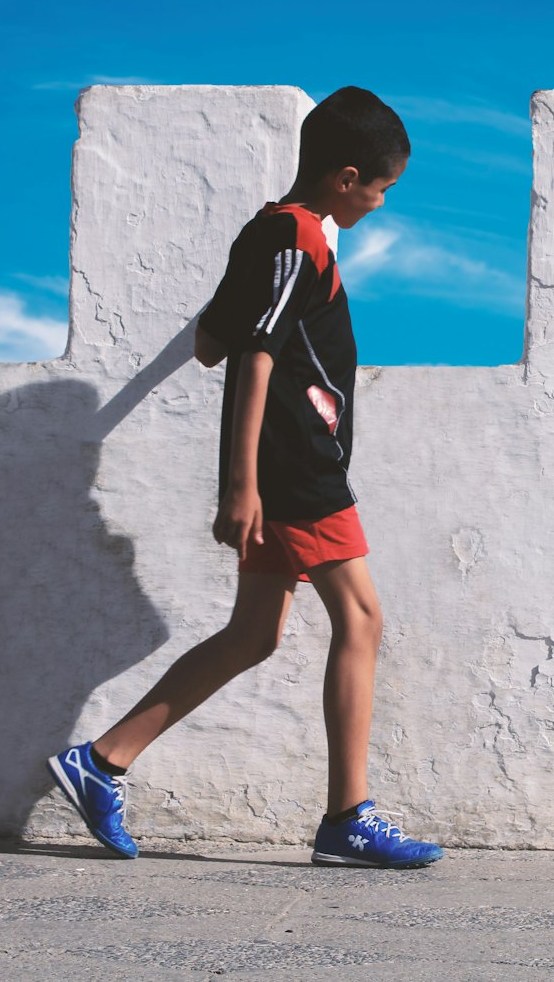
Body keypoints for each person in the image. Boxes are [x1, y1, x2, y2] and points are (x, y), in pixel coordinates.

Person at [47, 86, 443, 869]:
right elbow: (253, 357)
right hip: (300, 468)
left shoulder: (266, 233)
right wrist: (242, 483)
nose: (380, 203)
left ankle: (101, 761)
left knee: (255, 633)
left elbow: (210, 341)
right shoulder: (301, 239)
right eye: (380, 188)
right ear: (346, 176)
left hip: (287, 465)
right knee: (361, 619)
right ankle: (348, 817)